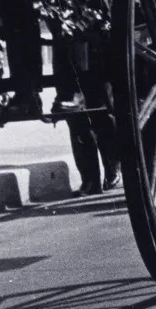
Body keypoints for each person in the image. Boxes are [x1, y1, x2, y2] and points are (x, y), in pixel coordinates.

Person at [51, 31, 120, 195]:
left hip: (97, 49)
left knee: (102, 112)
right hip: (71, 58)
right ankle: (90, 179)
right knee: (75, 117)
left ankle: (113, 167)